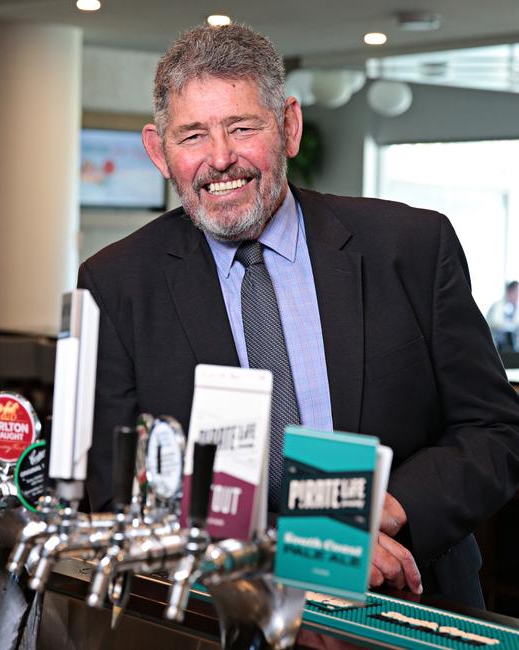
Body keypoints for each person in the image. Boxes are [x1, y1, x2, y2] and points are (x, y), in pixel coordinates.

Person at [78, 23, 519, 608]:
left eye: (242, 127)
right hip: (219, 611)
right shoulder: (117, 282)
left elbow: (494, 430)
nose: (220, 159)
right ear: (159, 152)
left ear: (288, 125)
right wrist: (289, 547)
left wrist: (388, 511)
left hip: (407, 602)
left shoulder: (410, 245)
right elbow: (111, 490)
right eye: (192, 136)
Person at [486, 280, 519, 351]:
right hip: (494, 344)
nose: (517, 296)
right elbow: (495, 323)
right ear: (510, 292)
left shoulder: (514, 308)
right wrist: (510, 325)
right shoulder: (498, 305)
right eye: (516, 293)